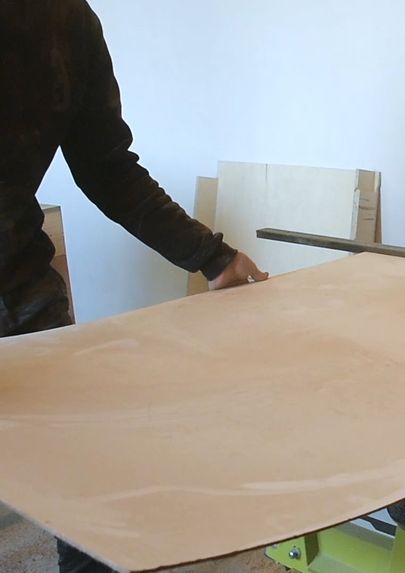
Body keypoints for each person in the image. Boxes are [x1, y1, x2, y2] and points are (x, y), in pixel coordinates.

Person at [2, 1, 268, 570]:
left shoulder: (64, 19)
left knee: (89, 493)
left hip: (19, 288)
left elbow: (107, 166)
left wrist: (212, 256)